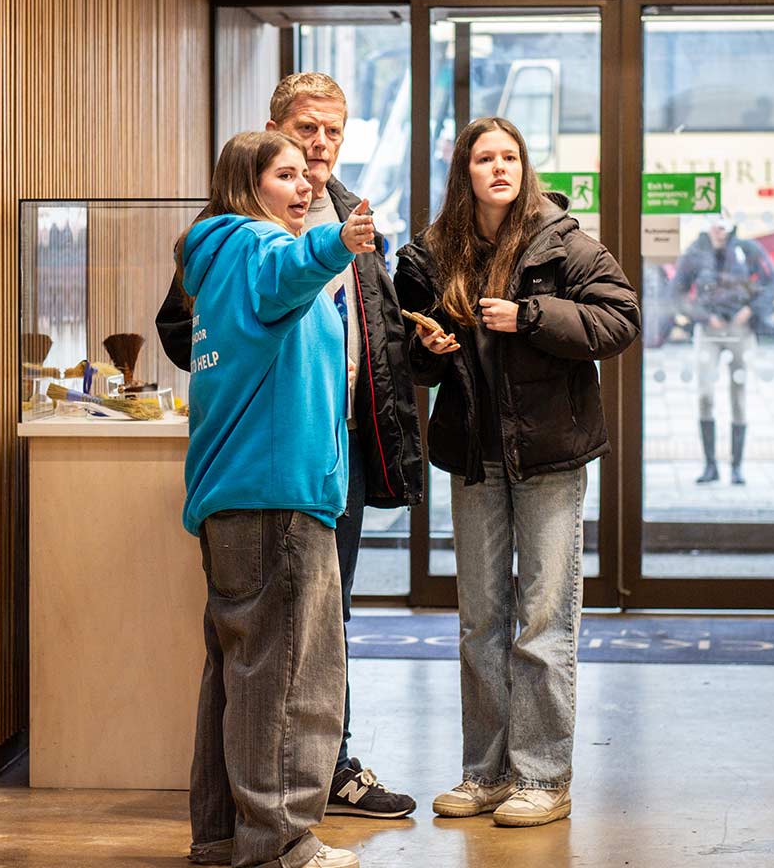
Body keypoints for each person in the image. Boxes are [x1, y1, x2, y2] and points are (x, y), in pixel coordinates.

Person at [158, 73, 423, 820]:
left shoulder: (345, 215)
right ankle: (282, 818)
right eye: (305, 131)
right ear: (274, 129)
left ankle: (315, 772)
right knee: (280, 651)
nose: (319, 148)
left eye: (333, 132)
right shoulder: (248, 228)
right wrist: (250, 372)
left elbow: (373, 328)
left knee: (314, 630)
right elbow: (207, 319)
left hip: (335, 453)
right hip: (274, 457)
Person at [394, 117, 639, 828]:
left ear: (524, 167)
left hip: (551, 456)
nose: (497, 167)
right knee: (480, 622)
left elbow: (618, 320)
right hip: (475, 457)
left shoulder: (563, 241)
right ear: (463, 171)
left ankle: (543, 777)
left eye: (509, 156)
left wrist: (531, 315)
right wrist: (434, 347)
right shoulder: (432, 253)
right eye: (483, 158)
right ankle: (485, 774)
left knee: (542, 619)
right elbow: (411, 356)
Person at [181, 130, 377, 868]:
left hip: (240, 496)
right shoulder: (256, 247)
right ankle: (283, 844)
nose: (303, 186)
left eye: (306, 175)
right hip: (276, 497)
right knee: (292, 677)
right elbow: (290, 271)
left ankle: (225, 836)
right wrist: (337, 243)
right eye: (285, 175)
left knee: (240, 676)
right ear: (247, 186)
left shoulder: (217, 256)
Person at [671, 212, 774, 485]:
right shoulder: (695, 253)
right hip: (709, 330)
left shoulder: (747, 250)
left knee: (739, 397)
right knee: (705, 395)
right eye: (714, 225)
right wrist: (704, 317)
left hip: (741, 330)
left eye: (723, 226)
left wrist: (751, 310)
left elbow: (772, 282)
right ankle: (710, 466)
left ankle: (737, 467)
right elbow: (676, 292)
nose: (719, 231)